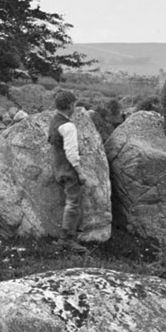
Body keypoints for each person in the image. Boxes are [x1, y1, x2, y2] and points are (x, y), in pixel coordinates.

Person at [49, 90, 100, 243]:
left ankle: (68, 236)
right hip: (68, 170)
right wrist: (80, 173)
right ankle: (67, 239)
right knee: (72, 204)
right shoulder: (68, 126)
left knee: (71, 203)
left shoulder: (54, 120)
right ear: (70, 105)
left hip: (58, 167)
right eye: (74, 104)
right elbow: (71, 153)